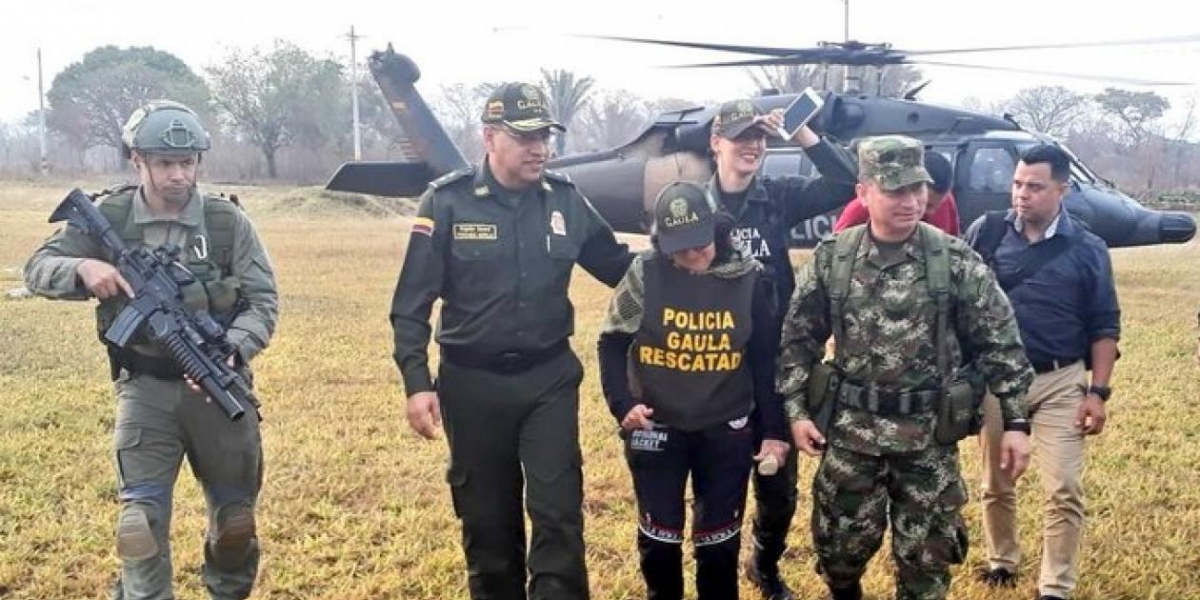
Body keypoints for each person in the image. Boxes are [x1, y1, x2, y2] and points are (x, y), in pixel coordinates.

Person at [23, 100, 278, 600]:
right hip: (144, 390)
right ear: (137, 160)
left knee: (235, 523)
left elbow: (264, 302)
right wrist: (81, 270)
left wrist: (234, 347)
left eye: (188, 163)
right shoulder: (110, 215)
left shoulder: (226, 223)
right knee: (138, 528)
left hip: (217, 387)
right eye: (164, 163)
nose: (179, 175)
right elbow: (37, 269)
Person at [389, 82, 632, 600]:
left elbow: (619, 268)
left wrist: (690, 262)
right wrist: (416, 382)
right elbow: (411, 304)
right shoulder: (448, 201)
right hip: (471, 386)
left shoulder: (565, 200)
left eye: (544, 135)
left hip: (548, 380)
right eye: (525, 137)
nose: (539, 147)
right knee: (488, 525)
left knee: (558, 514)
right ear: (490, 138)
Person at [776, 135, 1035, 600]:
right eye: (895, 190)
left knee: (928, 567)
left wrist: (1016, 421)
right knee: (839, 556)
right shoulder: (834, 258)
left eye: (917, 188)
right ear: (863, 192)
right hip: (852, 436)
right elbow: (798, 340)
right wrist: (796, 412)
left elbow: (1001, 342)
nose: (911, 200)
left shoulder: (954, 260)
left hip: (928, 440)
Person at [596, 181, 789, 600]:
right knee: (660, 542)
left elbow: (763, 359)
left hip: (726, 425)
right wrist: (623, 405)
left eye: (700, 244)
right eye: (680, 248)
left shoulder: (748, 278)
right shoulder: (645, 273)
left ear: (717, 231)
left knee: (718, 545)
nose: (692, 256)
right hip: (658, 423)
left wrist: (773, 431)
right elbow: (611, 341)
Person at [704, 98, 858, 600]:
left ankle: (764, 565)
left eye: (760, 137)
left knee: (778, 489)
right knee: (717, 481)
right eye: (740, 136)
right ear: (715, 143)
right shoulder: (694, 205)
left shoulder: (778, 197)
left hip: (776, 362)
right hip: (716, 363)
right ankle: (714, 568)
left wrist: (804, 134)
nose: (752, 145)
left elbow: (844, 183)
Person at [966, 144, 1121, 600]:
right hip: (999, 379)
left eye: (1035, 186)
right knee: (996, 481)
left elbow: (1105, 325)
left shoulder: (1088, 248)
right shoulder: (988, 232)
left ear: (1062, 189)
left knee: (1064, 487)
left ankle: (1055, 586)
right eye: (1017, 184)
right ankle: (1002, 560)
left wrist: (1098, 392)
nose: (1022, 194)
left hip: (1060, 380)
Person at [834, 149, 961, 235]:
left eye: (937, 206)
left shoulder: (942, 198)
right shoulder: (863, 209)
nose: (932, 212)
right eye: (928, 205)